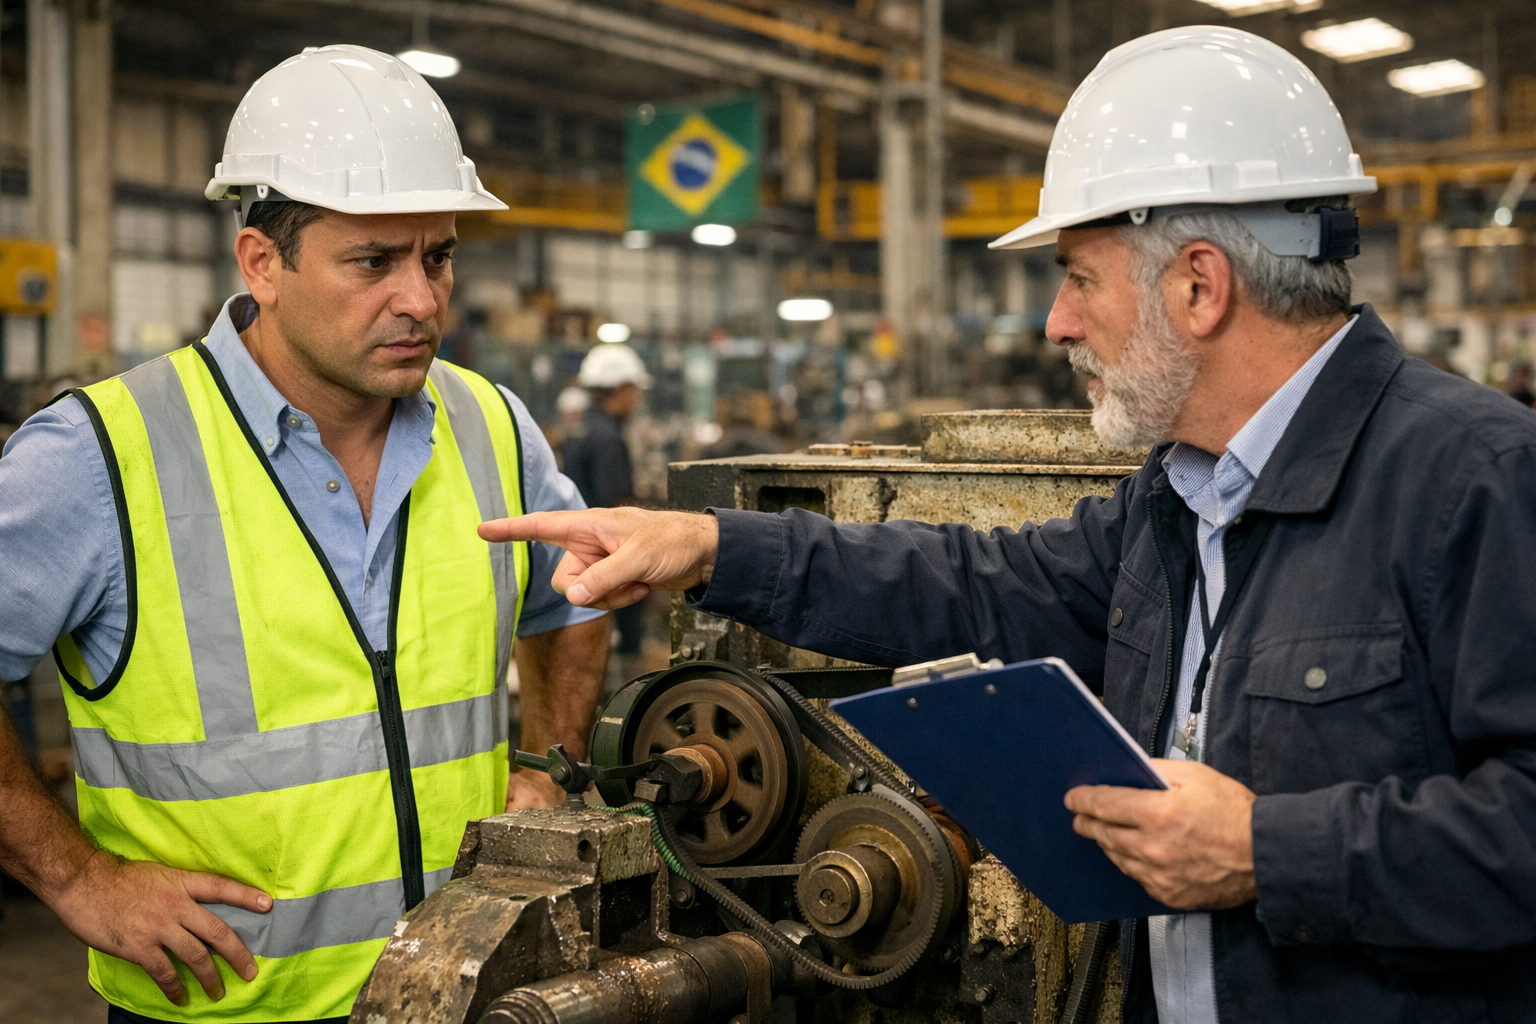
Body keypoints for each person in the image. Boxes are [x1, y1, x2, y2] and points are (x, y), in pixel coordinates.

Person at [482, 27, 1536, 1024]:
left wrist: (1268, 850)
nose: (1057, 323)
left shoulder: (1472, 479)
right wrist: (711, 548)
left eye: (1079, 278)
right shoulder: (1178, 500)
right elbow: (974, 582)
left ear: (1200, 286)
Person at [0, 45, 607, 1023]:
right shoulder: (103, 454)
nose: (421, 297)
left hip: (467, 985)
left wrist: (547, 766)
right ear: (262, 262)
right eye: (374, 261)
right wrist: (74, 877)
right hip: (234, 1005)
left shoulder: (491, 425)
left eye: (438, 255)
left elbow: (574, 596)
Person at [561, 344, 653, 682]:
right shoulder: (607, 439)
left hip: (580, 551)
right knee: (623, 645)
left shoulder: (580, 429)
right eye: (634, 390)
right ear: (619, 388)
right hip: (610, 557)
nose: (637, 399)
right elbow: (618, 508)